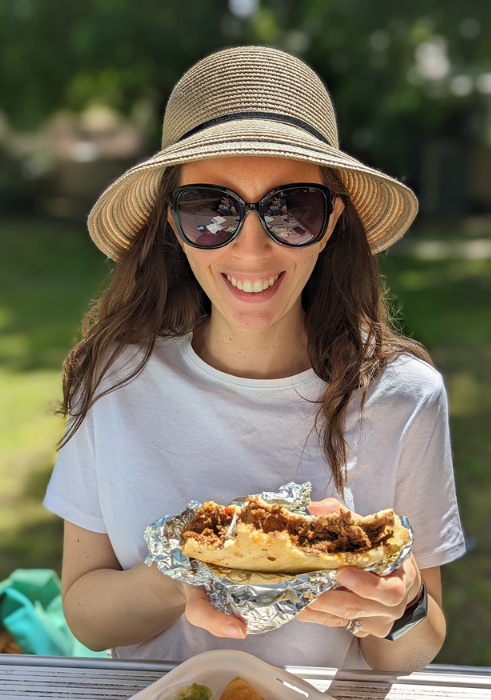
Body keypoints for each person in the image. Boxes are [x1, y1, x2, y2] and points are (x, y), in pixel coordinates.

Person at [43, 46, 465, 671]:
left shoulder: (405, 396)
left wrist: (398, 605)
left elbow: (414, 651)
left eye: (290, 208)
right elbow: (83, 611)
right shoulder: (114, 382)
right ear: (171, 224)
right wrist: (182, 575)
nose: (250, 247)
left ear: (331, 223)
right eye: (211, 209)